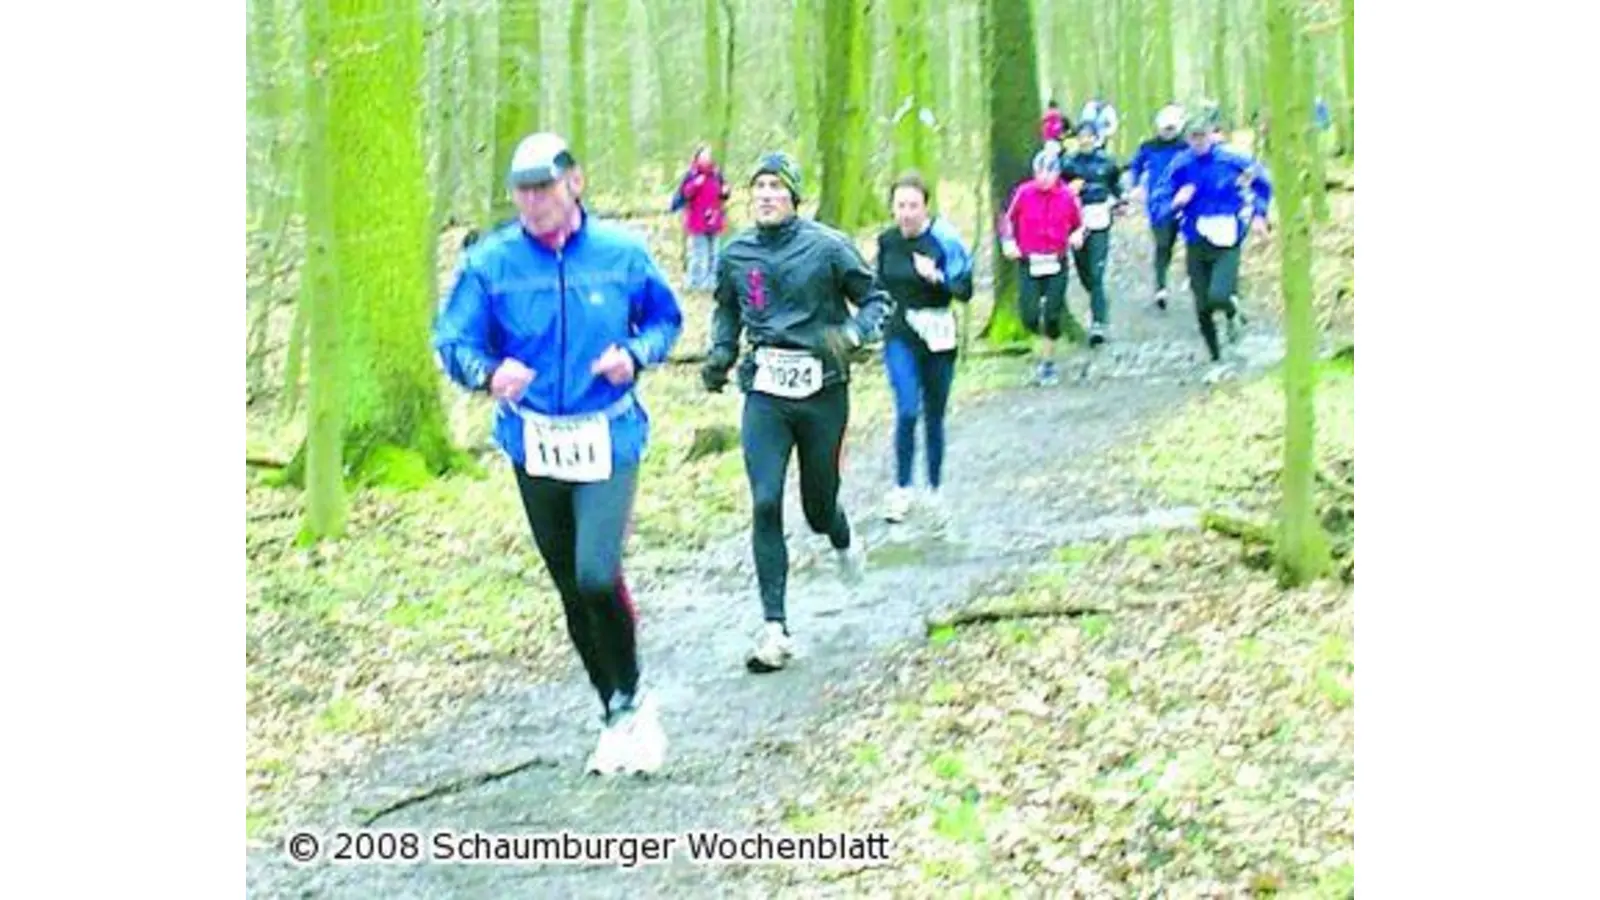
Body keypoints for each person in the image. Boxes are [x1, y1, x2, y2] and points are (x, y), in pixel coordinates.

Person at [432, 132, 684, 775]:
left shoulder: (621, 254)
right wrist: (488, 374)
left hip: (609, 433)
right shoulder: (491, 264)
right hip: (534, 439)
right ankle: (614, 712)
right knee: (571, 586)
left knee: (598, 571)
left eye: (544, 187)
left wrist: (635, 355)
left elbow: (665, 320)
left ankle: (634, 694)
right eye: (522, 190)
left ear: (575, 182)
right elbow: (452, 340)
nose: (533, 201)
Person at [700, 152, 892, 674]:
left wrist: (853, 334)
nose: (765, 195)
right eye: (758, 186)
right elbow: (726, 308)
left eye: (775, 187)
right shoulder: (737, 253)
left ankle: (843, 539)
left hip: (822, 391)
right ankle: (774, 628)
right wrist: (721, 353)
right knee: (764, 501)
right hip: (765, 392)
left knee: (817, 505)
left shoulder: (828, 247)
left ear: (793, 197)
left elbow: (876, 300)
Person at [873, 172, 973, 526]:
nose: (907, 213)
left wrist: (938, 278)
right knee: (906, 410)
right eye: (900, 206)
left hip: (940, 336)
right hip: (901, 334)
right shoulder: (886, 242)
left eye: (913, 205)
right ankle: (902, 489)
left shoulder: (943, 239)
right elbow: (877, 286)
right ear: (892, 209)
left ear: (925, 207)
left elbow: (965, 289)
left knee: (934, 415)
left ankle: (934, 488)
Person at [1153, 109, 1272, 366]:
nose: (1198, 142)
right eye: (1193, 137)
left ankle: (1232, 311)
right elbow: (1160, 196)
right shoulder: (1181, 165)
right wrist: (1175, 202)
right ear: (1187, 138)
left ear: (1211, 135)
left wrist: (1260, 215)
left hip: (1228, 236)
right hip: (1196, 237)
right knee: (1202, 305)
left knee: (1218, 294)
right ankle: (1216, 356)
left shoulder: (1231, 160)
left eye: (1202, 136)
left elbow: (1261, 181)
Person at [1001, 150, 1086, 386]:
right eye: (1040, 171)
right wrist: (1008, 242)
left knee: (1051, 315)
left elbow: (1079, 224)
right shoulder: (1024, 193)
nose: (1044, 177)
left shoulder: (1067, 196)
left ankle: (1047, 364)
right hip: (1029, 261)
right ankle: (1039, 350)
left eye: (1050, 172)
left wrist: (1078, 236)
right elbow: (1007, 220)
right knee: (1029, 315)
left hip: (1056, 262)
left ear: (1058, 173)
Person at [1059, 119, 1125, 347]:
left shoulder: (1106, 162)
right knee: (1084, 271)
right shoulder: (1068, 163)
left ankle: (1098, 323)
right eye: (1081, 136)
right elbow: (1059, 189)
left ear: (1097, 138)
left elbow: (1116, 185)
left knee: (1096, 272)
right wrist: (1070, 191)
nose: (1085, 140)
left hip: (1099, 218)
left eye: (1089, 136)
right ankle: (1099, 301)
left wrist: (1120, 201)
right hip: (1075, 220)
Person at [1127, 103, 1189, 310]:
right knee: (1163, 244)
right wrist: (1135, 186)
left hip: (1186, 201)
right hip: (1159, 202)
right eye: (1165, 128)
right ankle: (1160, 286)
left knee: (1194, 242)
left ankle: (1198, 280)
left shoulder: (1186, 147)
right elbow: (1135, 166)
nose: (1168, 132)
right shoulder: (1148, 147)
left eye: (1172, 128)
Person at [670, 144, 730, 292]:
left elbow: (723, 194)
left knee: (714, 254)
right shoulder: (692, 174)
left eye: (708, 155)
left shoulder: (716, 174)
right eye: (703, 155)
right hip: (697, 220)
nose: (706, 158)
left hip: (714, 219)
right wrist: (695, 184)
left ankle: (712, 283)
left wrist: (725, 191)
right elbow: (684, 195)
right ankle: (695, 283)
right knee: (699, 254)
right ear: (697, 157)